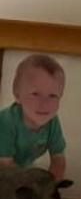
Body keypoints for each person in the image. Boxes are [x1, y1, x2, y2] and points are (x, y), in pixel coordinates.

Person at [0, 53, 67, 181]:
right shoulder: (6, 122)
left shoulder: (52, 122)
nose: (44, 103)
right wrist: (32, 184)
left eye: (53, 96)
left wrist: (51, 185)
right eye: (35, 94)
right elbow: (5, 167)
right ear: (17, 95)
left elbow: (58, 160)